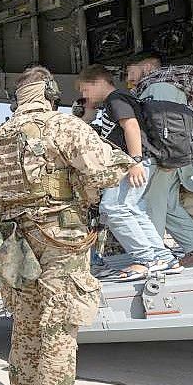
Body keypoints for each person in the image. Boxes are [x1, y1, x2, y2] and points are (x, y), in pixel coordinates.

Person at [0, 66, 133, 385]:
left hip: (14, 236)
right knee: (60, 320)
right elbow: (104, 169)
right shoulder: (64, 126)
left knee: (26, 313)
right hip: (61, 233)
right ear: (49, 92)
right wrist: (129, 161)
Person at [78, 64, 181, 280]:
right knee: (133, 209)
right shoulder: (118, 99)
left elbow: (131, 127)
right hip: (140, 160)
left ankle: (146, 259)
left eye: (85, 90)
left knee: (113, 207)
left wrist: (134, 161)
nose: (84, 95)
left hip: (133, 161)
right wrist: (88, 112)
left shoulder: (115, 99)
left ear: (97, 83)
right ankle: (164, 259)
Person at [128, 55, 193, 266]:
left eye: (130, 71)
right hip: (175, 154)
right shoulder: (172, 84)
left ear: (147, 67)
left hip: (165, 156)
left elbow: (162, 125)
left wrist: (164, 158)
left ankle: (154, 255)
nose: (128, 77)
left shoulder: (157, 86)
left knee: (152, 204)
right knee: (168, 205)